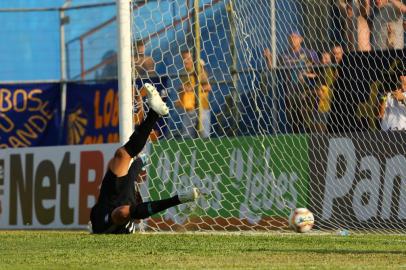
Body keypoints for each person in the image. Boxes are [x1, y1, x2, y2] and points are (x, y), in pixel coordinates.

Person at [89, 83, 202, 234]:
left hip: (105, 208)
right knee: (122, 212)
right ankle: (178, 199)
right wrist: (177, 200)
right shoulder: (120, 206)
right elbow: (132, 178)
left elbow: (132, 171)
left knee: (121, 155)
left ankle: (155, 112)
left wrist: (140, 161)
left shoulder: (128, 186)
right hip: (113, 222)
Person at [264, 31, 319, 133]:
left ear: (301, 39)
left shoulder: (309, 53)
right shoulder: (284, 55)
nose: (293, 40)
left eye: (295, 37)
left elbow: (319, 73)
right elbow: (272, 68)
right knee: (293, 122)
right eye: (291, 38)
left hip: (306, 92)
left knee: (308, 120)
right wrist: (268, 58)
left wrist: (306, 76)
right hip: (290, 93)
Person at [176, 50, 212, 138]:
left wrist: (192, 89)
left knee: (204, 136)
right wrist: (181, 92)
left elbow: (208, 87)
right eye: (183, 58)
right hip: (189, 109)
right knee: (187, 137)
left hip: (202, 108)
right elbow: (184, 89)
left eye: (188, 58)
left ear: (193, 59)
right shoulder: (183, 72)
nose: (185, 61)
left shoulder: (200, 70)